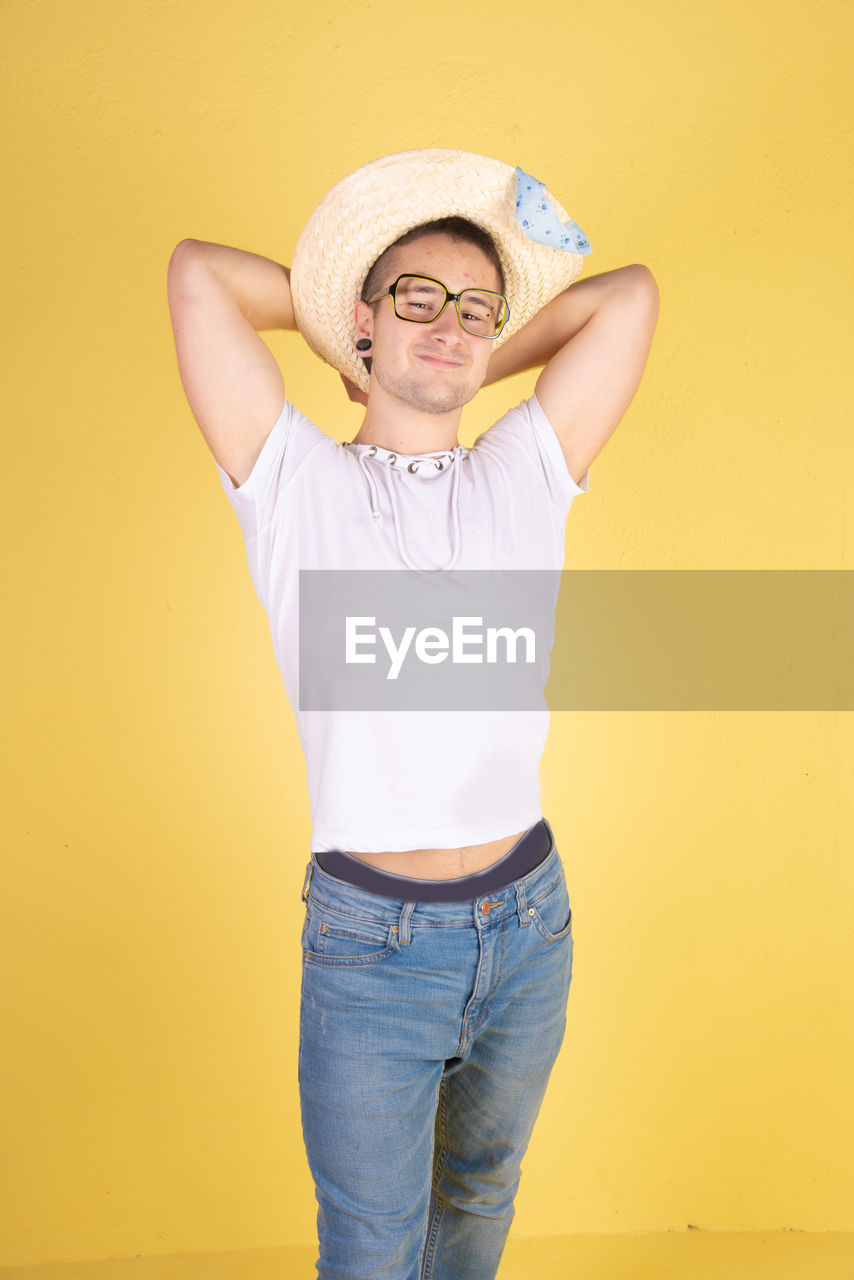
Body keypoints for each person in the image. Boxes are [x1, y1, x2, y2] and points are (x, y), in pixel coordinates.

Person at [167, 149, 658, 1279]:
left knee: (479, 1198)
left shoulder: (523, 470)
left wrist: (456, 348)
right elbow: (196, 275)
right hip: (371, 946)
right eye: (417, 298)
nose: (450, 323)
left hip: (529, 922)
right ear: (361, 324)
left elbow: (624, 297)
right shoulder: (295, 487)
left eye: (475, 309)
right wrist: (365, 340)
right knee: (374, 1244)